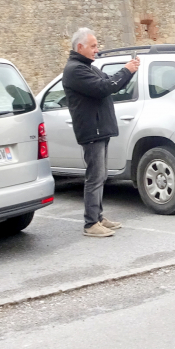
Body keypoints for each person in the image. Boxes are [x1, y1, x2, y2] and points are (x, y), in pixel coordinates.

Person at [63, 28, 140, 237]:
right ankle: (90, 224)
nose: (97, 50)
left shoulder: (88, 67)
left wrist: (129, 72)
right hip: (91, 130)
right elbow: (102, 88)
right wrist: (127, 70)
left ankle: (98, 216)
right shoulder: (75, 70)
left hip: (99, 129)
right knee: (95, 176)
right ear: (80, 47)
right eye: (93, 46)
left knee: (101, 175)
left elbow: (111, 84)